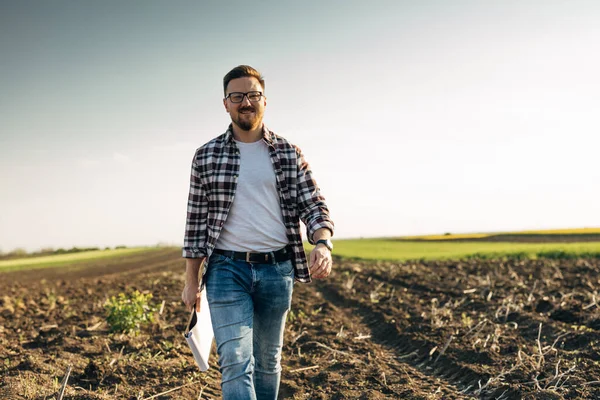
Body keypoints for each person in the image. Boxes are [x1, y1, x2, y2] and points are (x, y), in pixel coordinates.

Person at [181, 65, 334, 399]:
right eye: (237, 96)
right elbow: (195, 222)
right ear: (226, 104)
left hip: (278, 271)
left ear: (265, 101)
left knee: (267, 361)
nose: (245, 102)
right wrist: (192, 280)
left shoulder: (288, 153)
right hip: (226, 270)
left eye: (252, 95)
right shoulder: (206, 156)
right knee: (235, 360)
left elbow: (314, 204)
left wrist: (322, 243)